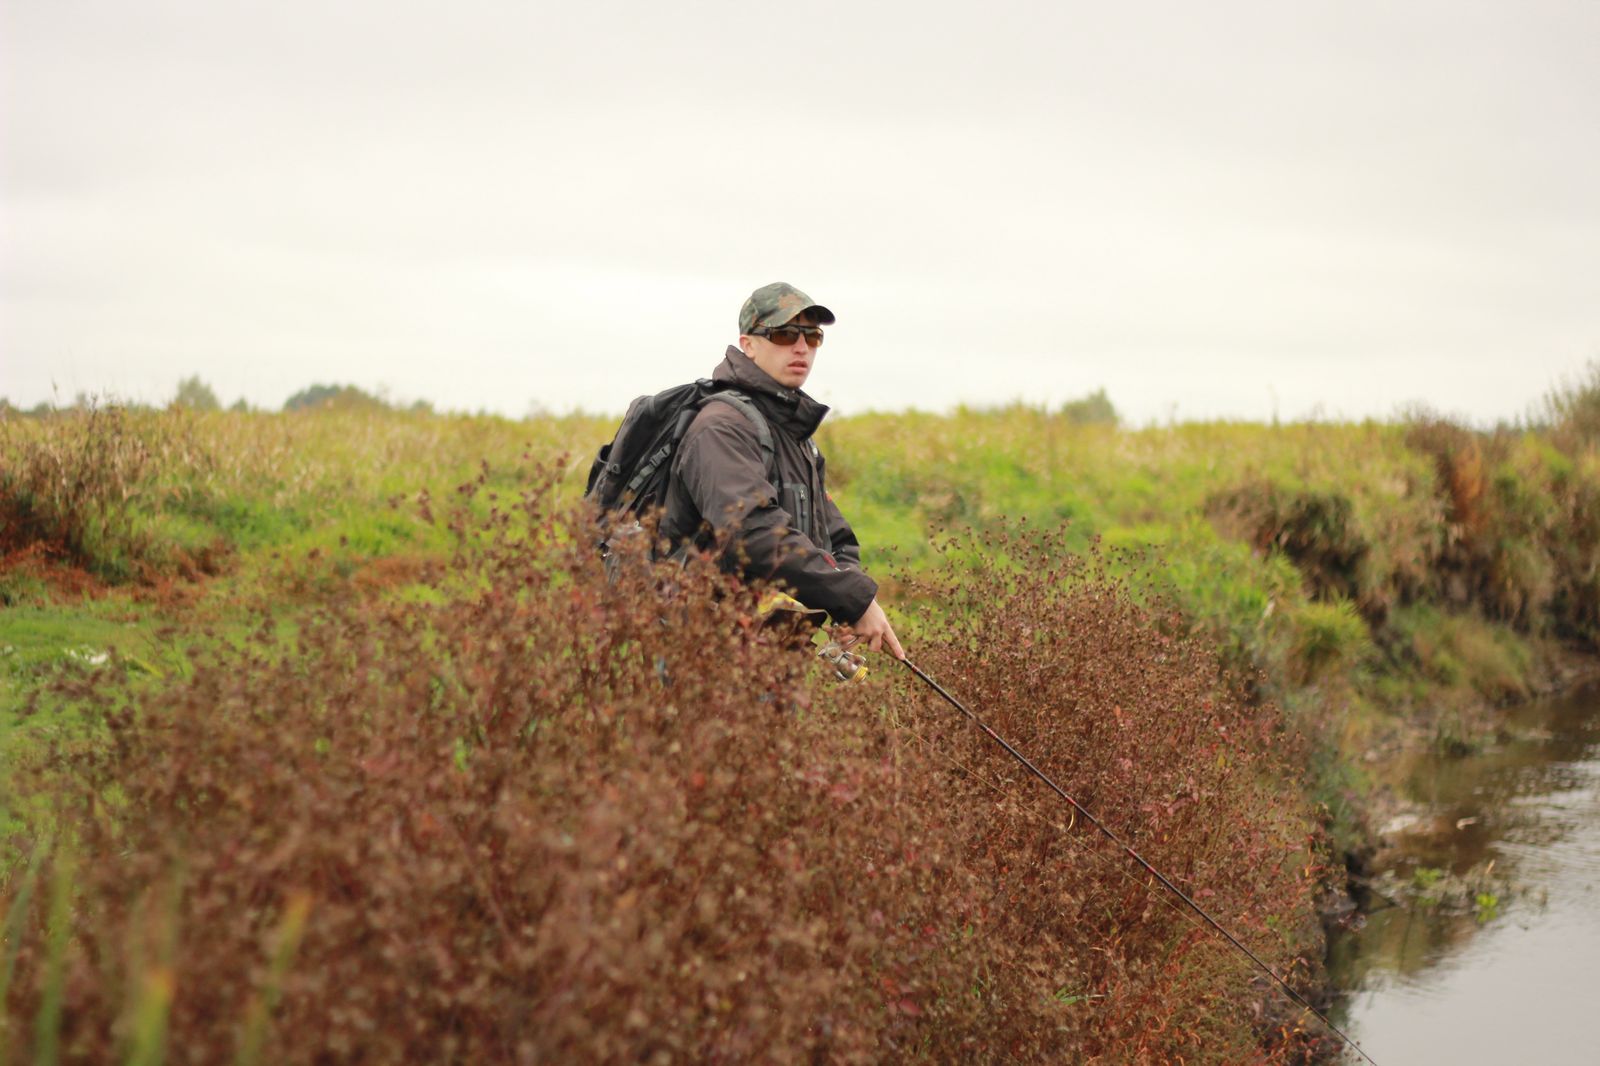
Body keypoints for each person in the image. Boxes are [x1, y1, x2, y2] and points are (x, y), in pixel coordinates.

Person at [660, 282, 905, 660]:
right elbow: (754, 534)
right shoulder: (721, 427)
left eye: (813, 336)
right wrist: (851, 599)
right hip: (705, 656)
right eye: (784, 334)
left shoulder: (794, 435)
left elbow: (834, 536)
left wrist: (843, 599)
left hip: (768, 655)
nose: (801, 347)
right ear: (748, 344)